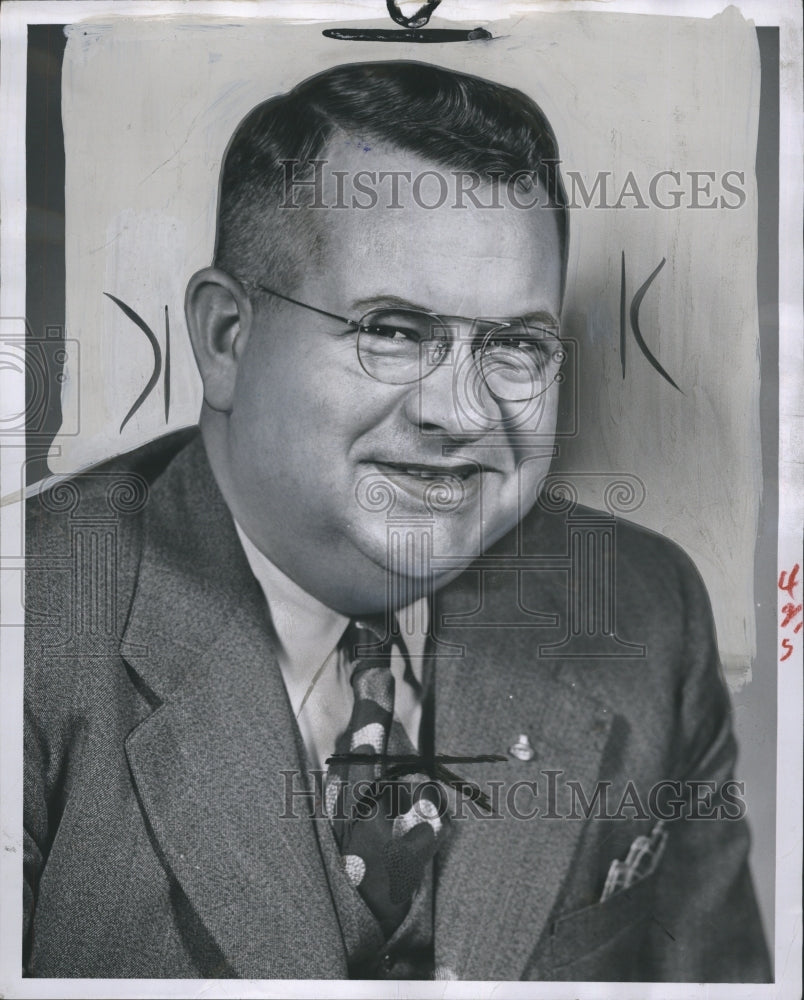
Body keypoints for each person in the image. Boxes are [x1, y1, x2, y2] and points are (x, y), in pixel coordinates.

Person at [23, 61, 770, 982]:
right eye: (393, 332)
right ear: (226, 338)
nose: (459, 414)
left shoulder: (648, 611)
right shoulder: (31, 625)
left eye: (513, 346)